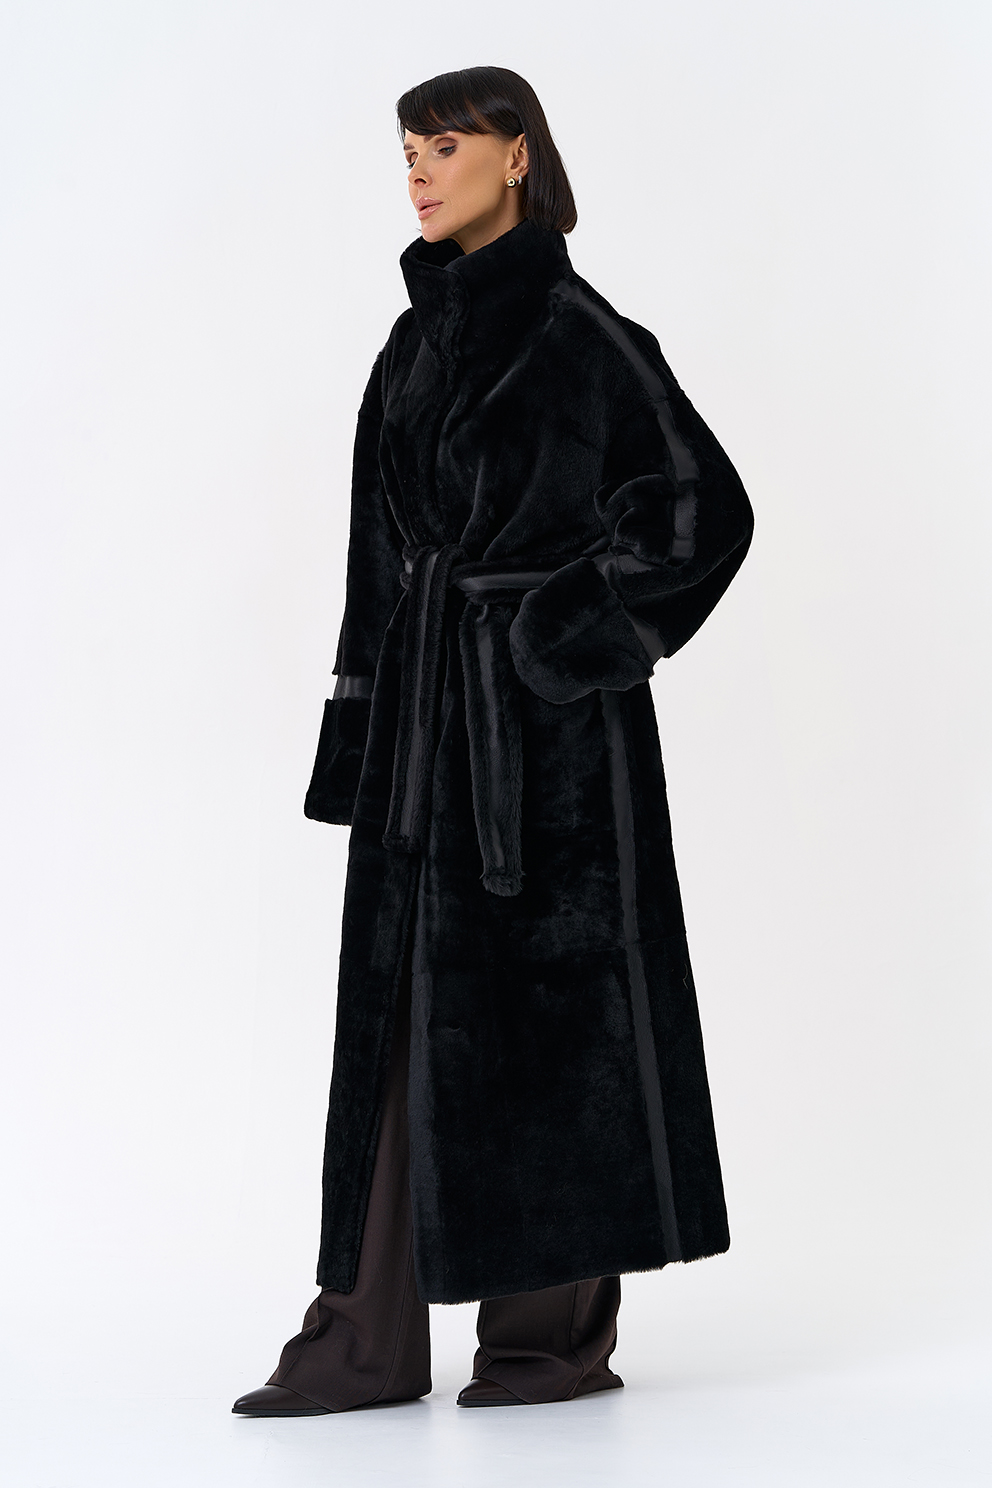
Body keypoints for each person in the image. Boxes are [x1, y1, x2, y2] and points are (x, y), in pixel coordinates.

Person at [233, 64, 753, 1416]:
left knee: (555, 1018)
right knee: (400, 1018)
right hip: (424, 722)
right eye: (408, 148)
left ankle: (549, 1340)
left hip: (550, 747)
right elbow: (378, 559)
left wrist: (557, 641)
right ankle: (364, 1336)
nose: (418, 170)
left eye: (446, 144)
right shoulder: (410, 346)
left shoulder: (587, 333)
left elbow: (705, 510)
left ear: (519, 155)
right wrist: (359, 726)